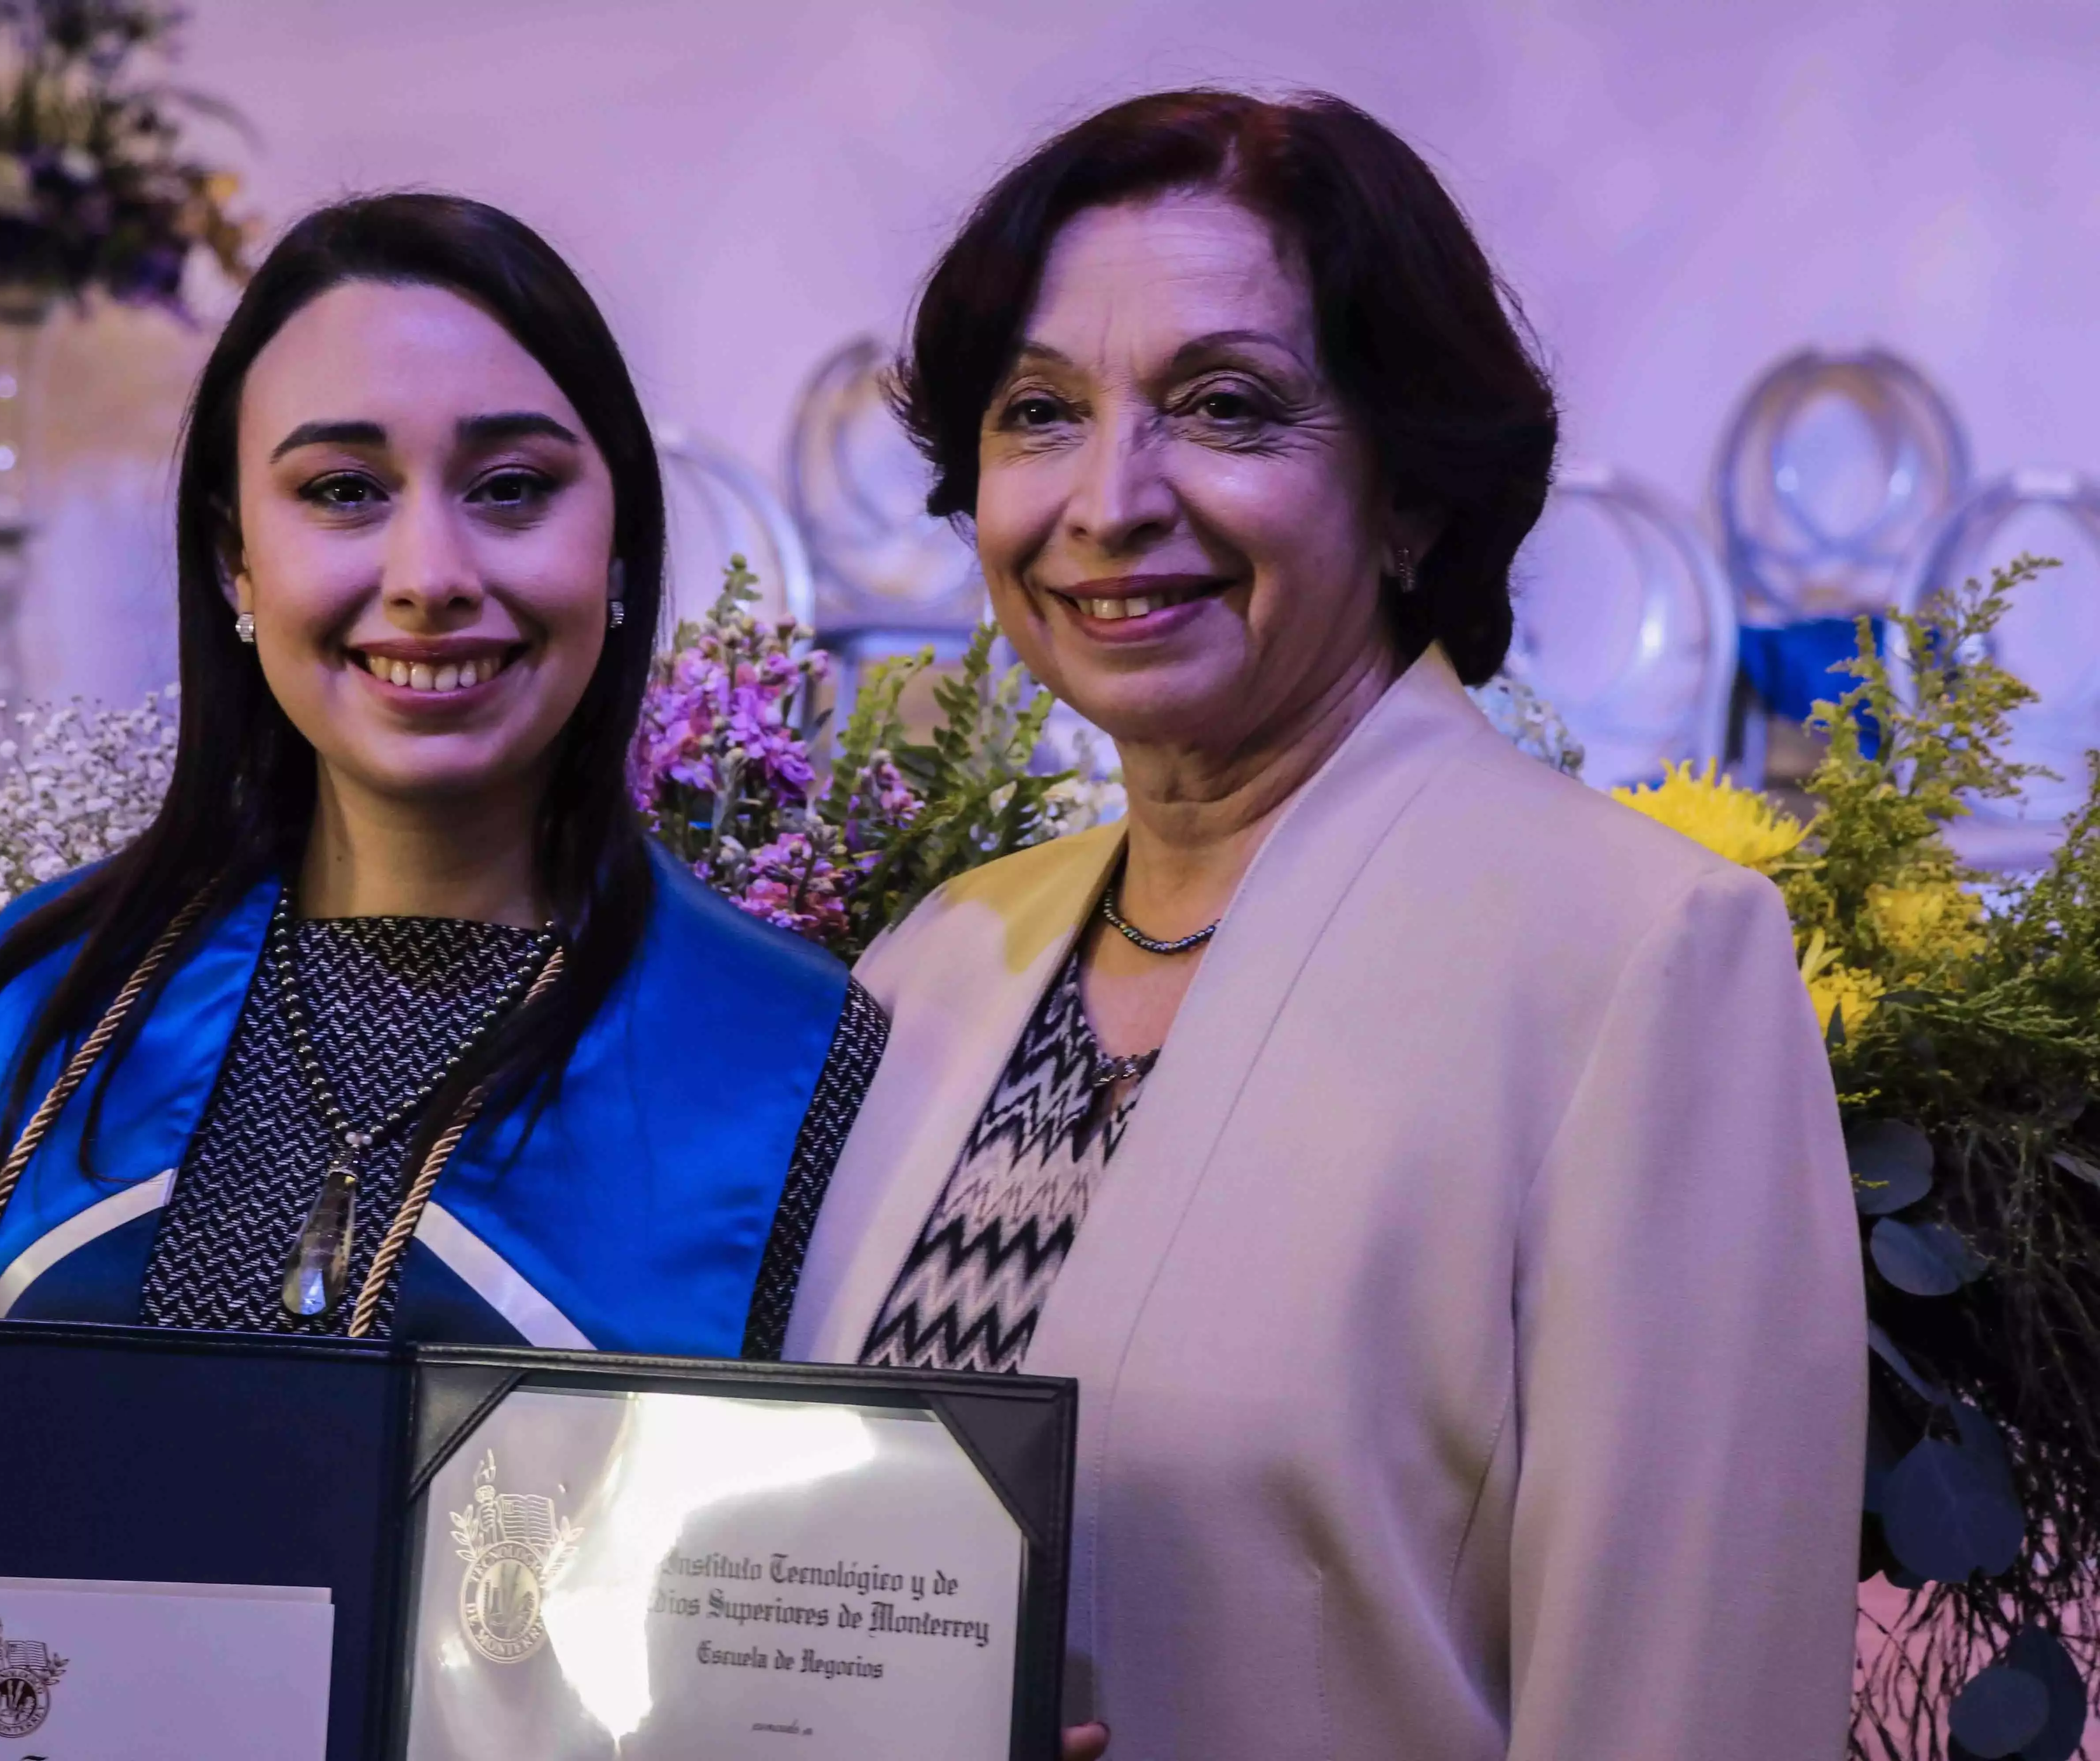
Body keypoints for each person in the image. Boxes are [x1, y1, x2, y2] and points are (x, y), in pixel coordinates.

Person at [786, 91, 1865, 1759]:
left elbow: (1686, 1701)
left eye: (1226, 407)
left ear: (1411, 494)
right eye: (1038, 413)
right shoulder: (939, 959)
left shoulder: (1640, 963)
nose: (1108, 500)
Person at [0, 193, 882, 1356]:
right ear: (235, 564)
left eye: (510, 486)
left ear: (618, 548)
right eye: (344, 490)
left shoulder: (787, 1051)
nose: (429, 576)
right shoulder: (41, 1003)